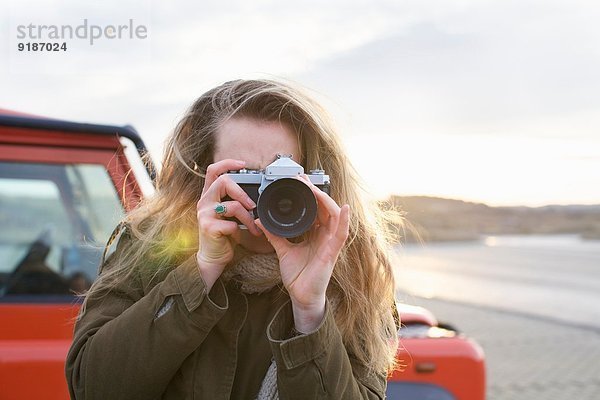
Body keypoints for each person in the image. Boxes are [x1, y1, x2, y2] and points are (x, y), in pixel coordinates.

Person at [66, 79, 399, 399]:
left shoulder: (355, 277)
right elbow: (92, 389)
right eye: (247, 177)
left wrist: (311, 310)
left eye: (285, 177)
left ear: (317, 181)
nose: (270, 197)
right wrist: (200, 273)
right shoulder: (150, 248)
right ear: (202, 179)